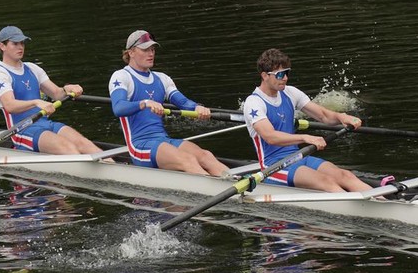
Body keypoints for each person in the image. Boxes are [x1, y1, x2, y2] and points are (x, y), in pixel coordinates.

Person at [242, 48, 372, 192]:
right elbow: (270, 137)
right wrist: (305, 137)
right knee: (325, 181)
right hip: (274, 166)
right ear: (264, 76)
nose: (285, 78)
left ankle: (382, 201)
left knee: (345, 175)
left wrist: (341, 117)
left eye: (287, 73)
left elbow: (323, 115)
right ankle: (355, 204)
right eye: (280, 74)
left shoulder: (290, 92)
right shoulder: (254, 102)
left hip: (299, 156)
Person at [108, 30, 230, 176]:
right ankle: (215, 187)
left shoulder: (162, 78)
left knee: (205, 156)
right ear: (131, 52)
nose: (151, 54)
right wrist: (145, 103)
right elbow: (118, 108)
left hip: (163, 141)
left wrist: (197, 107)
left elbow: (183, 102)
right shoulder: (121, 76)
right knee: (187, 160)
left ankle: (241, 183)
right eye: (145, 50)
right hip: (140, 145)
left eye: (153, 49)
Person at [0, 25, 105, 155]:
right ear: (2, 46)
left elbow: (56, 94)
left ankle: (110, 165)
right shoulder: (0, 73)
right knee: (69, 149)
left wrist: (67, 89)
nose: (20, 47)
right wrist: (36, 102)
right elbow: (10, 106)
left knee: (86, 145)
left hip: (46, 123)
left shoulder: (32, 68)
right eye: (15, 43)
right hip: (22, 130)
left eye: (22, 43)